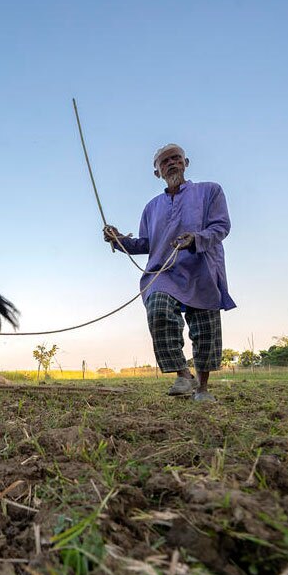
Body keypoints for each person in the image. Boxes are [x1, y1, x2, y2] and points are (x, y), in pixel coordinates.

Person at [104, 144, 235, 402]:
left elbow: (221, 227)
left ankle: (203, 388)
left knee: (205, 327)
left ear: (186, 162)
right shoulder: (151, 207)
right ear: (157, 173)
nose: (171, 163)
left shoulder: (210, 191)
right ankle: (184, 375)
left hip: (202, 266)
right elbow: (146, 243)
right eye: (164, 162)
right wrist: (119, 240)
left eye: (176, 158)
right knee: (159, 309)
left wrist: (196, 238)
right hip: (163, 272)